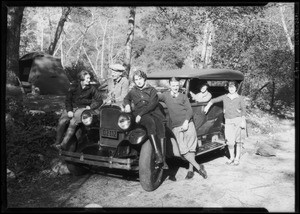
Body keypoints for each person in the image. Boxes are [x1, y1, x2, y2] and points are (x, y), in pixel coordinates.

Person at [158, 77, 208, 180]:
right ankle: (199, 167)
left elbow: (189, 111)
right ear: (169, 86)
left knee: (191, 148)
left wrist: (186, 122)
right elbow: (154, 97)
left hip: (188, 124)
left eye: (177, 85)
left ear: (179, 86)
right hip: (176, 127)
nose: (175, 87)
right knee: (182, 151)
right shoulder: (166, 96)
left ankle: (190, 170)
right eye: (173, 85)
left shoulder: (183, 96)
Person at [123, 70, 168, 169]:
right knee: (150, 122)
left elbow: (152, 104)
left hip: (152, 112)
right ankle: (158, 154)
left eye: (140, 79)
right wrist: (127, 105)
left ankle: (163, 160)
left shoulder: (152, 90)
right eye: (136, 80)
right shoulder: (133, 91)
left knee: (161, 127)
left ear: (144, 79)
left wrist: (141, 114)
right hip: (141, 115)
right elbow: (126, 99)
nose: (138, 81)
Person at [52, 70, 103, 151]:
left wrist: (91, 107)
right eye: (87, 78)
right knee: (62, 121)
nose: (89, 80)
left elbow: (100, 100)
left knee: (73, 122)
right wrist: (69, 110)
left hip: (82, 109)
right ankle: (57, 143)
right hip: (72, 107)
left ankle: (63, 145)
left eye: (89, 78)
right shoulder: (74, 86)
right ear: (81, 79)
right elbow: (68, 100)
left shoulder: (92, 88)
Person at [204, 80, 247, 166]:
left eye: (233, 87)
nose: (231, 89)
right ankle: (231, 158)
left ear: (236, 88)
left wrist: (242, 121)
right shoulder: (224, 97)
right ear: (228, 88)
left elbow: (243, 111)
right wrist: (208, 106)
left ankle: (237, 158)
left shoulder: (240, 98)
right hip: (228, 121)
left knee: (238, 141)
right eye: (230, 87)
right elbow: (213, 100)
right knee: (230, 141)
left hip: (238, 120)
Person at [189, 80, 212, 147]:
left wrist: (192, 94)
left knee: (196, 128)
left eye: (204, 87)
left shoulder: (209, 95)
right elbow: (193, 98)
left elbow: (201, 100)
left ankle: (198, 146)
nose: (202, 88)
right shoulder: (199, 94)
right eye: (201, 87)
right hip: (196, 112)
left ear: (207, 87)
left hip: (204, 114)